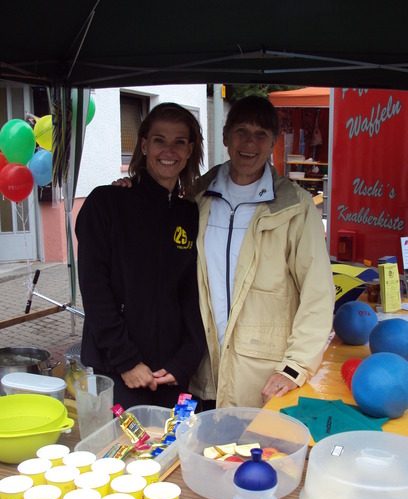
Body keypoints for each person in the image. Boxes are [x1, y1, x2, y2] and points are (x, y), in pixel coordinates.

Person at [114, 96, 335, 409]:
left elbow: (318, 294)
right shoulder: (195, 196)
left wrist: (294, 366)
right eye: (241, 131)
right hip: (199, 373)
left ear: (273, 142)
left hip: (262, 377)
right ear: (226, 137)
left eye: (260, 134)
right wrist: (131, 191)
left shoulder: (294, 207)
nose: (249, 143)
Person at [75, 102, 206, 409]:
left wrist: (185, 361)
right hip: (117, 368)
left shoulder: (188, 213)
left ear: (189, 150)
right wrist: (126, 361)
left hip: (169, 373)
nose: (169, 151)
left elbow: (189, 295)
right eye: (160, 140)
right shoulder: (106, 203)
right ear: (145, 145)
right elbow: (95, 290)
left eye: (179, 142)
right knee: (128, 441)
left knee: (174, 440)